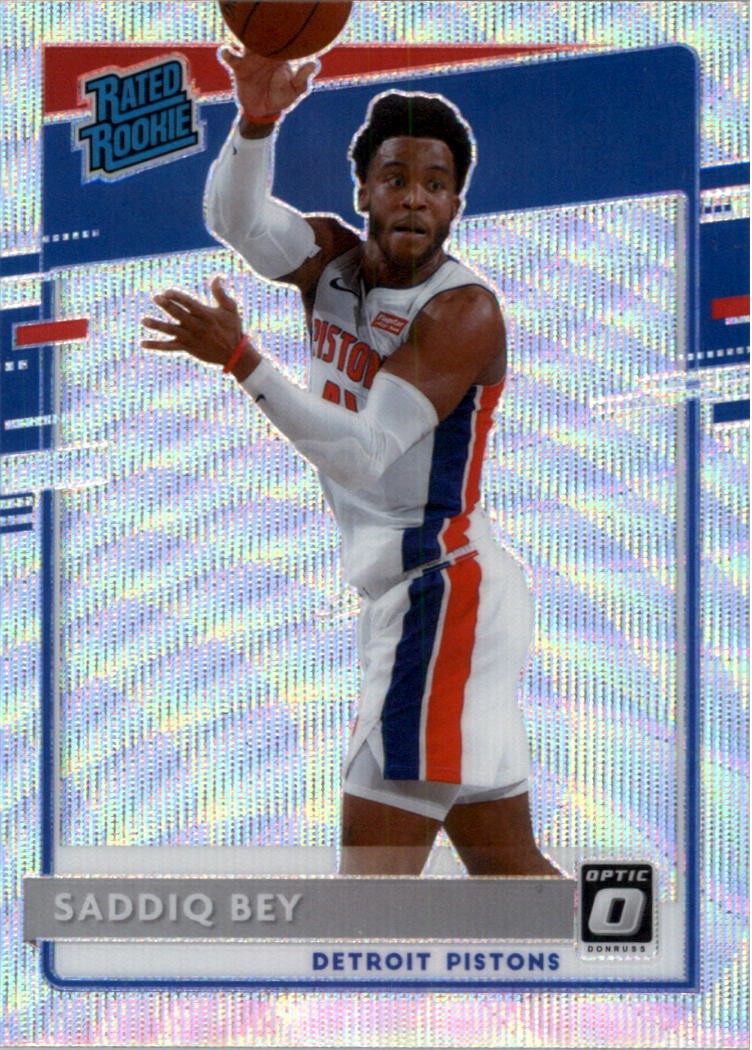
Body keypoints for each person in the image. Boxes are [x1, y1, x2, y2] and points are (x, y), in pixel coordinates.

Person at [141, 48, 559, 878]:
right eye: (396, 178)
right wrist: (257, 120)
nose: (415, 197)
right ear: (364, 191)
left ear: (456, 204)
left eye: (436, 183)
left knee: (367, 893)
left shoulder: (462, 312)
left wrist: (243, 362)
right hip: (425, 596)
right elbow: (235, 220)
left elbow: (365, 457)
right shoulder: (330, 261)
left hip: (441, 592)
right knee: (513, 879)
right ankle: (646, 946)